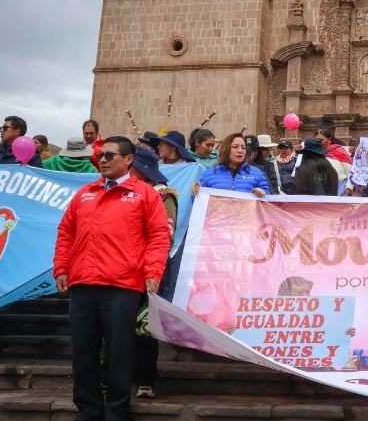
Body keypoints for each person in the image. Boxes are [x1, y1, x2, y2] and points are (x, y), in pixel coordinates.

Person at [53, 136, 171, 420]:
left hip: (122, 286)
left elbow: (158, 237)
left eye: (109, 155)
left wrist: (152, 273)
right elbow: (66, 233)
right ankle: (88, 411)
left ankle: (116, 412)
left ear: (129, 160)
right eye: (100, 156)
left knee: (119, 353)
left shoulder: (145, 194)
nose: (102, 160)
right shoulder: (85, 193)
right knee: (83, 352)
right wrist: (61, 268)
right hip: (83, 284)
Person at [127, 147, 179, 399]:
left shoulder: (164, 196)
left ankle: (145, 380)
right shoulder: (119, 192)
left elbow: (165, 235)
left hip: (151, 270)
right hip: (123, 270)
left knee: (143, 327)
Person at [197, 133, 269, 196]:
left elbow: (268, 201)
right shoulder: (209, 174)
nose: (240, 151)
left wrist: (263, 194)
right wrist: (195, 191)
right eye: (235, 147)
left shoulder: (257, 173)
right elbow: (199, 201)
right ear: (226, 149)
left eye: (243, 148)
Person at [315, 128, 353, 195]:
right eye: (316, 141)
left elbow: (350, 171)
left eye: (321, 140)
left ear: (329, 140)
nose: (318, 143)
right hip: (320, 190)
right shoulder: (313, 154)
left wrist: (349, 188)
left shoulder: (338, 151)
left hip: (340, 189)